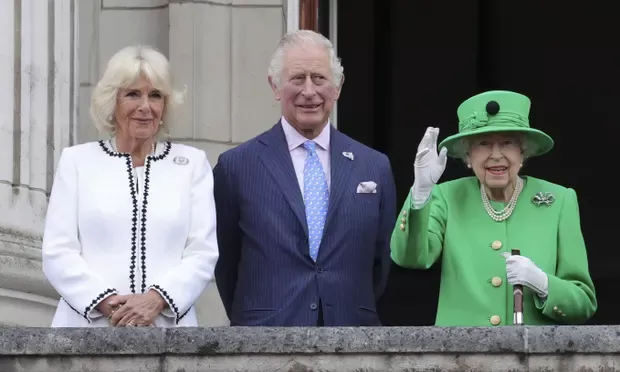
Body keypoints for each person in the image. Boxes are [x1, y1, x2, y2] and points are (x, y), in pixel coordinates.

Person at [213, 30, 397, 326]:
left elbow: (383, 263)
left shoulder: (373, 166)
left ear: (337, 86)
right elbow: (226, 264)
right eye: (297, 78)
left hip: (351, 337)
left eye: (319, 78)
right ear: (275, 85)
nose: (309, 91)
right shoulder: (236, 166)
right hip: (265, 339)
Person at [41, 45, 219, 327]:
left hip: (168, 331)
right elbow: (57, 252)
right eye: (133, 94)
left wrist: (155, 300)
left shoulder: (192, 165)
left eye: (155, 95)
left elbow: (203, 253)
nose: (145, 107)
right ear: (113, 101)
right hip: (87, 330)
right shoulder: (77, 162)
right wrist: (111, 305)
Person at [391, 90, 597, 326]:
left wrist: (543, 283)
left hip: (534, 358)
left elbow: (584, 303)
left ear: (523, 152)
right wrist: (420, 193)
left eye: (507, 143)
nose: (496, 155)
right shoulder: (446, 197)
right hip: (460, 357)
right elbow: (409, 257)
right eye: (483, 144)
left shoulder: (560, 201)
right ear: (468, 156)